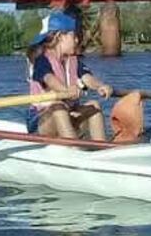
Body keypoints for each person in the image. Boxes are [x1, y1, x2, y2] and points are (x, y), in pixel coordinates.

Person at [26, 11, 113, 140]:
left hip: (68, 113)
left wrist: (100, 86)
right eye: (74, 36)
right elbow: (49, 79)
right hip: (40, 120)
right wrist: (65, 90)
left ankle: (101, 149)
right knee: (58, 107)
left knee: (94, 106)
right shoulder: (42, 60)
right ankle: (74, 150)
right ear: (60, 37)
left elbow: (87, 77)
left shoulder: (73, 61)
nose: (77, 40)